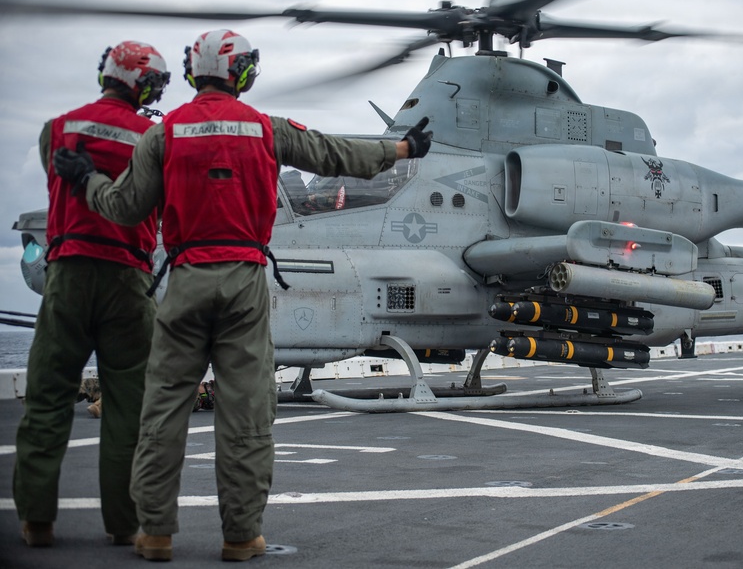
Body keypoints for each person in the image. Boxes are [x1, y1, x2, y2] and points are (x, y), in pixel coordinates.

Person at [54, 28, 432, 562]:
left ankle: (156, 532)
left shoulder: (163, 136)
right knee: (247, 413)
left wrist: (87, 181)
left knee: (163, 410)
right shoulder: (266, 129)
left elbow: (121, 208)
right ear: (243, 74)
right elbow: (332, 153)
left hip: (184, 281)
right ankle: (240, 536)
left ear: (193, 73)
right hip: (244, 282)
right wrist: (400, 149)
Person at [13, 41, 170, 547]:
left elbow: (54, 180)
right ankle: (123, 524)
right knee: (129, 404)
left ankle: (37, 520)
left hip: (68, 273)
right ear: (146, 86)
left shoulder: (59, 129)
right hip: (127, 278)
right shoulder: (153, 137)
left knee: (47, 395)